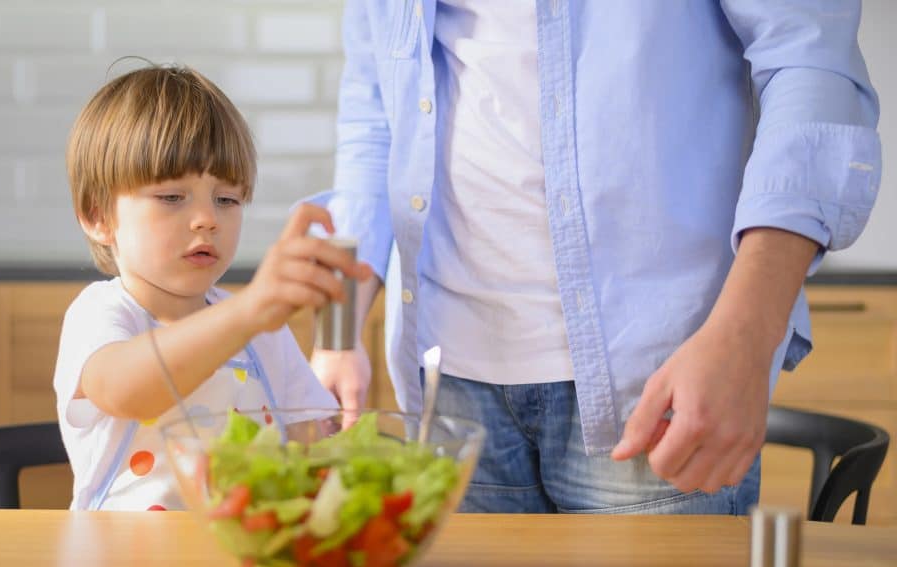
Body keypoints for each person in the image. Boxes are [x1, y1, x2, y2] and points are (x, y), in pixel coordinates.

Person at [310, 2, 881, 514]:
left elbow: (813, 68)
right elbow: (376, 112)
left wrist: (748, 337)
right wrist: (339, 326)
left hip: (656, 375)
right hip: (448, 379)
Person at [55, 64, 371, 511]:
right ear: (98, 217)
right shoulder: (101, 313)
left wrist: (349, 456)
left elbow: (311, 445)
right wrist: (247, 313)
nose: (208, 219)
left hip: (240, 547)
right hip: (122, 552)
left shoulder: (262, 331)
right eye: (172, 197)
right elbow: (126, 390)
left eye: (227, 199)